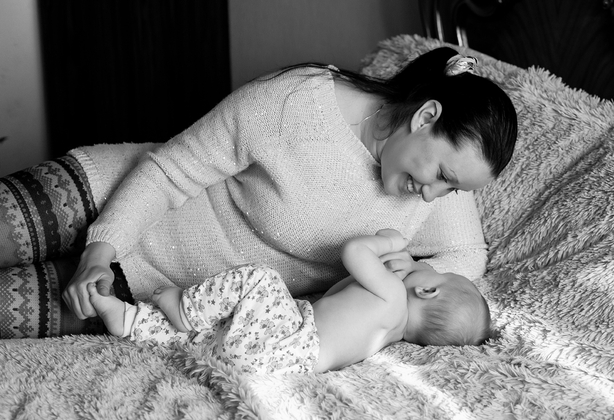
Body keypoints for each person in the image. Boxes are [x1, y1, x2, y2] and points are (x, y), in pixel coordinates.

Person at [0, 47, 517, 339]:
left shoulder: (426, 193)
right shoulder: (297, 102)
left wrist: (403, 280)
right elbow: (170, 172)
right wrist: (99, 249)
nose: (434, 197)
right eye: (443, 176)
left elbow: (467, 257)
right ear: (426, 116)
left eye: (453, 190)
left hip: (143, 288)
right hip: (103, 195)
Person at [86, 229, 491, 374]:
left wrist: (388, 243)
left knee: (261, 280)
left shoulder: (393, 296)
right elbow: (336, 297)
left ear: (428, 290)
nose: (421, 265)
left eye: (432, 270)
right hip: (283, 365)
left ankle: (183, 309)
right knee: (221, 328)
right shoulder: (390, 331)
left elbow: (354, 253)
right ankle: (129, 321)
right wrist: (398, 269)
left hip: (292, 339)